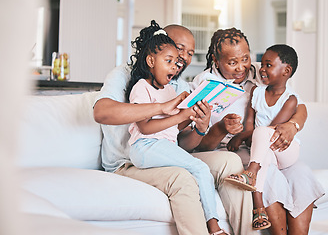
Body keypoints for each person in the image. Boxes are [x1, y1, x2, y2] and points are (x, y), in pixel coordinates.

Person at [93, 21, 257, 235]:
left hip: (164, 152)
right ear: (159, 47)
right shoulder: (127, 76)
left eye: (190, 53)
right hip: (129, 162)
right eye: (179, 50)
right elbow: (101, 112)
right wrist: (164, 108)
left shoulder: (177, 86)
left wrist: (200, 126)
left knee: (230, 161)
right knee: (182, 177)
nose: (184, 59)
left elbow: (181, 143)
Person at [190, 28, 324, 235]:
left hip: (266, 146)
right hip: (231, 151)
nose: (241, 67)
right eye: (232, 63)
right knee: (268, 173)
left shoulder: (258, 73)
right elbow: (199, 145)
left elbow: (298, 104)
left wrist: (293, 125)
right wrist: (221, 128)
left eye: (245, 58)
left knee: (301, 173)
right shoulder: (203, 84)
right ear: (216, 61)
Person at [125, 21, 227, 235]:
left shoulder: (171, 90)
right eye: (168, 61)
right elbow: (144, 127)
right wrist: (181, 114)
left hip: (161, 146)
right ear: (151, 60)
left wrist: (192, 113)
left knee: (191, 171)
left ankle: (212, 224)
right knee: (199, 168)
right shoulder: (141, 87)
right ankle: (214, 227)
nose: (175, 66)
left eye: (176, 63)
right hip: (144, 147)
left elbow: (175, 127)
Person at [225, 44, 305, 230]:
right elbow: (249, 125)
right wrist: (243, 135)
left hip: (285, 150)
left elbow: (273, 130)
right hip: (264, 151)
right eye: (262, 64)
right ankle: (259, 209)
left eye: (268, 65)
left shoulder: (290, 99)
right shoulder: (256, 92)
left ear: (286, 71)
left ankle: (251, 173)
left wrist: (245, 137)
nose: (262, 69)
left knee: (263, 133)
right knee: (263, 155)